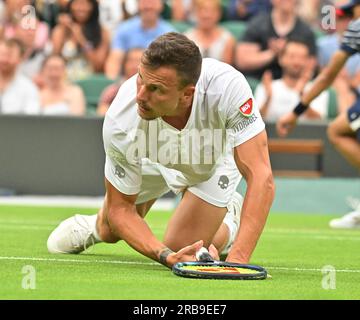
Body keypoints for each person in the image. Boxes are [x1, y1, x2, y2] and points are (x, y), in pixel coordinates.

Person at [47, 32, 275, 268]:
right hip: (153, 157)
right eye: (140, 79)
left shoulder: (227, 87)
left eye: (155, 89)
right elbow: (120, 209)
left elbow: (261, 176)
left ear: (187, 94)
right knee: (111, 230)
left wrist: (238, 260)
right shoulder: (121, 119)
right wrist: (165, 256)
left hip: (213, 162)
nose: (140, 96)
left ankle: (229, 222)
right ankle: (95, 228)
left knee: (183, 244)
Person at [276, 0, 360, 229]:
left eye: (348, 14)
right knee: (338, 129)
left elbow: (327, 76)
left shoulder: (357, 27)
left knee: (336, 131)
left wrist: (296, 112)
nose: (346, 21)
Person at [235, 0, 317, 80]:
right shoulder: (258, 24)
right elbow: (242, 60)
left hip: (292, 86)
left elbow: (309, 67)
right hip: (258, 83)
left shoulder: (306, 32)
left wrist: (288, 55)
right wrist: (271, 53)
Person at [255, 40, 328, 121]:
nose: (296, 62)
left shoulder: (316, 89)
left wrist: (303, 98)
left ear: (308, 61)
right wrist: (268, 98)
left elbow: (319, 123)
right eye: (292, 56)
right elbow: (255, 122)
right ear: (281, 59)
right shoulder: (265, 87)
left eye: (302, 57)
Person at [105, 0, 174, 80]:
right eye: (144, 2)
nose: (148, 6)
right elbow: (114, 62)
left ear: (161, 6)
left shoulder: (170, 35)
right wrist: (113, 83)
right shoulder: (124, 29)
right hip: (127, 81)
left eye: (153, 2)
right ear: (137, 5)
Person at [51, 0, 110, 81]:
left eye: (86, 4)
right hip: (64, 82)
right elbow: (54, 58)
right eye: (77, 3)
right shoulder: (61, 30)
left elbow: (98, 65)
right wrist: (64, 29)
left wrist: (81, 39)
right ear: (70, 5)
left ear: (93, 6)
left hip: (90, 82)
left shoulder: (102, 32)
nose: (81, 8)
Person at [184, 0, 236, 65]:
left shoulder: (228, 40)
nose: (206, 15)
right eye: (202, 10)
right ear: (196, 13)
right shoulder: (187, 38)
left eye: (211, 11)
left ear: (219, 13)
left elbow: (227, 71)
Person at [97, 48, 143, 116]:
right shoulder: (113, 90)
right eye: (131, 61)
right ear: (124, 64)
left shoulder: (149, 91)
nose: (134, 65)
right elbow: (102, 112)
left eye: (138, 61)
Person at [0, 38, 41, 114]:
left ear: (20, 58)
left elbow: (30, 119)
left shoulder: (29, 88)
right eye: (2, 54)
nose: (4, 59)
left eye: (9, 55)